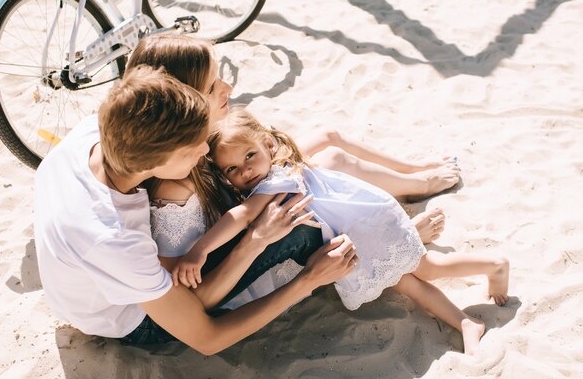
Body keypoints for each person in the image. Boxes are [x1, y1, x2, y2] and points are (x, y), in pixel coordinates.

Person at [33, 65, 359, 355]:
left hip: (99, 278)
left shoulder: (95, 130)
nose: (204, 149)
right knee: (299, 224)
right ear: (155, 164)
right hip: (130, 317)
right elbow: (208, 339)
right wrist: (308, 280)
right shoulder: (115, 237)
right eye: (192, 148)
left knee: (280, 197)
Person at [169, 108, 509, 355]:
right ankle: (466, 323)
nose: (245, 170)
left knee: (426, 269)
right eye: (233, 168)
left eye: (250, 156)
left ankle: (493, 265)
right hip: (355, 232)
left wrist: (199, 250)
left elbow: (240, 216)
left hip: (370, 227)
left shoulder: (272, 182)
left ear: (268, 147)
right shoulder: (277, 170)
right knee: (405, 282)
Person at [126, 33, 459, 245]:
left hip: (257, 195)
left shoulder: (202, 139)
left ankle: (414, 176)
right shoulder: (178, 177)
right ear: (186, 98)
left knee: (330, 143)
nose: (228, 89)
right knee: (329, 166)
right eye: (214, 86)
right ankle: (407, 221)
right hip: (267, 228)